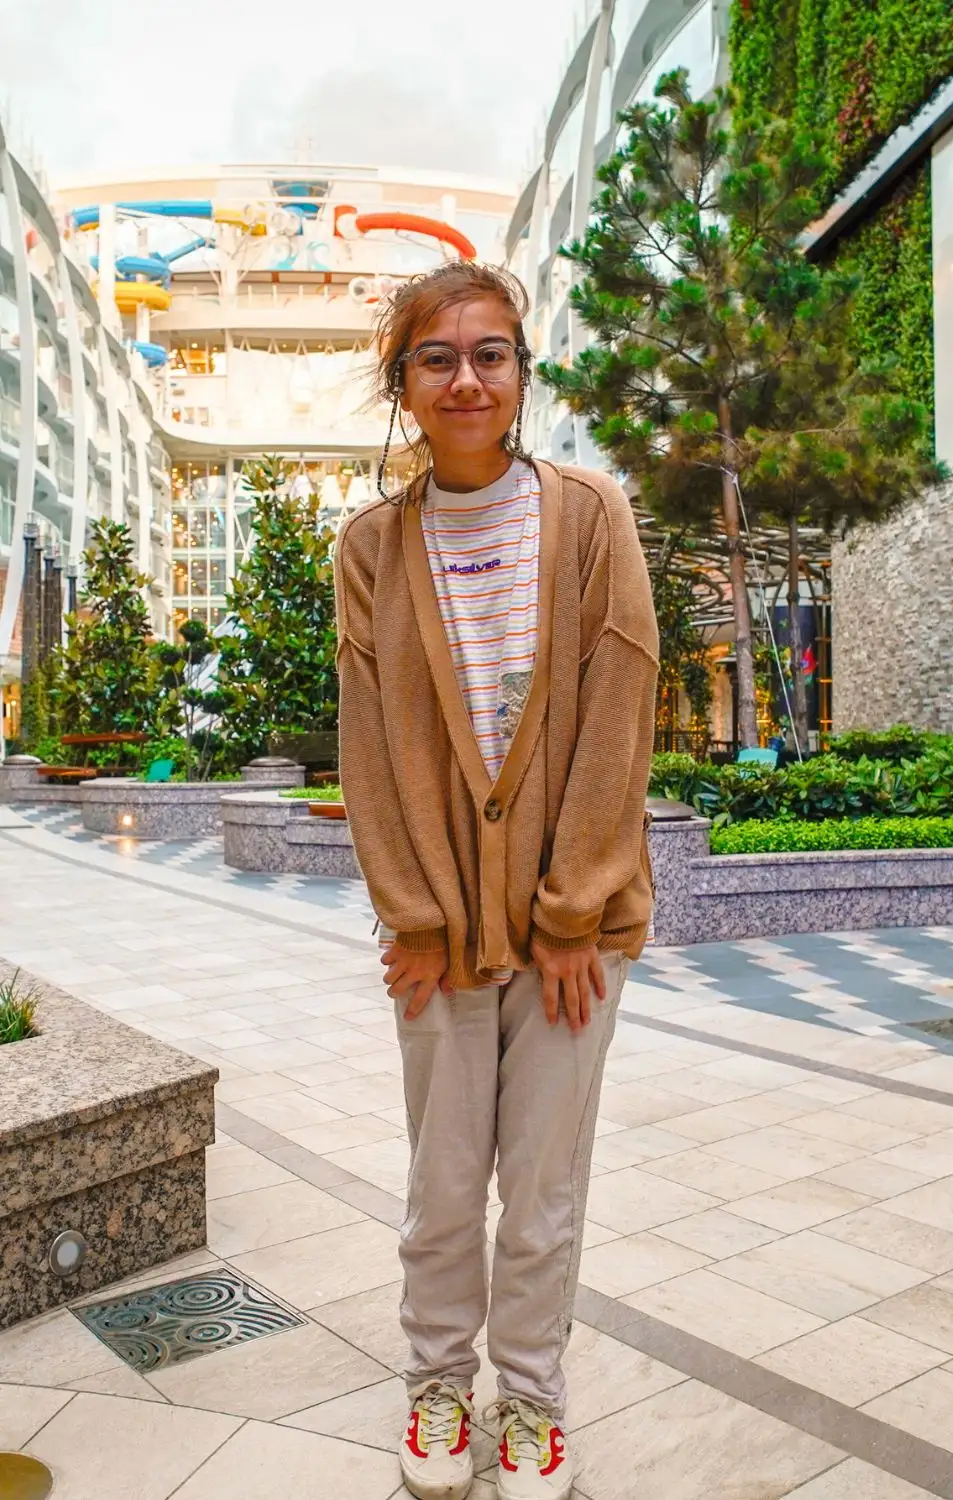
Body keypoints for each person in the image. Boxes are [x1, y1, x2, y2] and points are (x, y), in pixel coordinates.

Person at [333, 260, 659, 1500]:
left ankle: (531, 1408)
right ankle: (434, 1386)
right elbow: (372, 743)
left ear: (522, 372)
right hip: (438, 934)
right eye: (437, 357)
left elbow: (619, 708)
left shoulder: (590, 515)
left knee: (540, 1190)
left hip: (577, 929)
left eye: (490, 354)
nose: (465, 377)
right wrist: (412, 917)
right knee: (439, 1182)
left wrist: (575, 910)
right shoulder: (371, 547)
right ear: (403, 383)